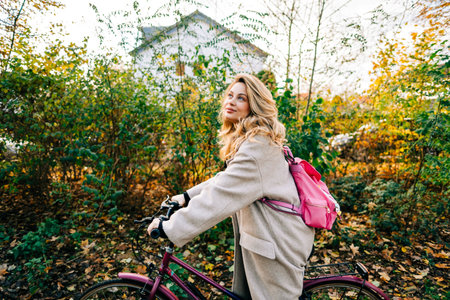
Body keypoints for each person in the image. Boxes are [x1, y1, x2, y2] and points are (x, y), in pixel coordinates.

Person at [147, 73, 314, 299]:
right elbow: (226, 180)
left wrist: (171, 228)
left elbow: (220, 197)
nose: (231, 101)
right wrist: (186, 196)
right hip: (270, 234)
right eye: (229, 95)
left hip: (278, 242)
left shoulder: (257, 147)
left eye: (241, 98)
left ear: (254, 106)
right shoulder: (252, 140)